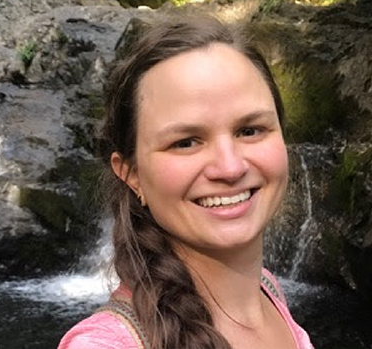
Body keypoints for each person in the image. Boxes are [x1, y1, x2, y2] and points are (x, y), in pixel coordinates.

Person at [58, 14, 313, 349]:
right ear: (132, 174)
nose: (230, 167)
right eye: (186, 141)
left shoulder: (267, 290)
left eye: (249, 130)